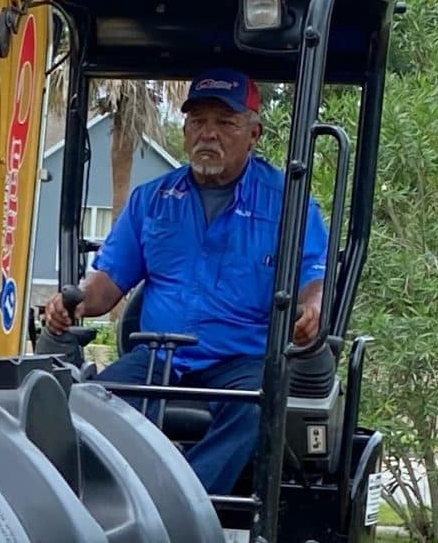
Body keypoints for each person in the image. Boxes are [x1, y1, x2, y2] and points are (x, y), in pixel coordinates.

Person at [42, 72, 326, 495]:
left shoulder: (289, 204)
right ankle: (101, 507)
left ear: (253, 133)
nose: (207, 134)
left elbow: (314, 281)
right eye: (197, 122)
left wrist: (315, 309)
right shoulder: (151, 201)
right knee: (90, 403)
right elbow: (105, 286)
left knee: (260, 408)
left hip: (242, 362)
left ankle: (178, 507)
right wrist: (73, 303)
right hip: (158, 356)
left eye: (224, 123)